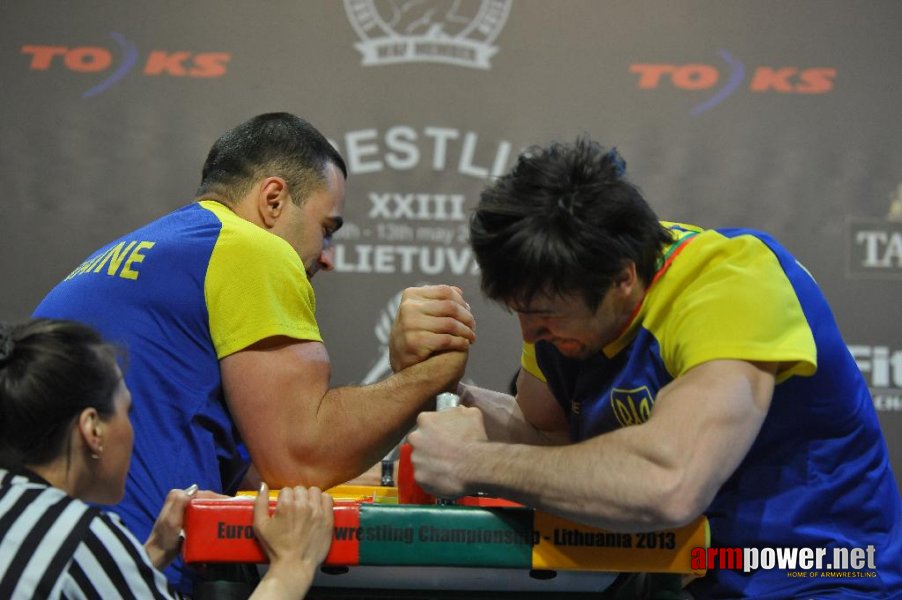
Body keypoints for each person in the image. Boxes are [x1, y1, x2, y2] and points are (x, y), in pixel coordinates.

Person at [391, 138, 902, 598]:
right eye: (519, 312)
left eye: (545, 315)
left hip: (817, 577)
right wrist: (443, 386)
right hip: (683, 574)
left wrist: (476, 462)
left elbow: (670, 482)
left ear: (623, 278)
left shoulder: (730, 283)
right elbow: (549, 438)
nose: (529, 335)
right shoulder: (562, 306)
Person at [32, 112, 473, 592]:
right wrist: (431, 373)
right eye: (327, 228)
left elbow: (255, 463)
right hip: (127, 573)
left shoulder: (146, 251)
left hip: (53, 561)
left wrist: (397, 456)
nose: (327, 255)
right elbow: (298, 460)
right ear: (273, 199)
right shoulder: (249, 248)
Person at [0, 318, 334, 599]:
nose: (131, 429)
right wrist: (291, 565)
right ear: (92, 430)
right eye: (127, 411)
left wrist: (152, 554)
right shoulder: (80, 538)